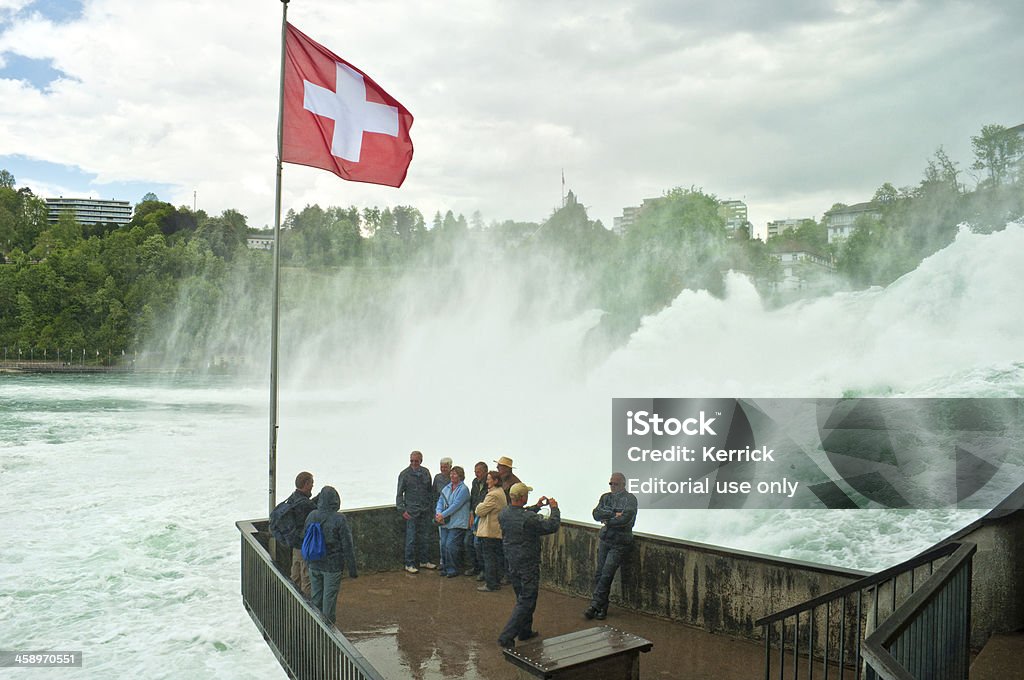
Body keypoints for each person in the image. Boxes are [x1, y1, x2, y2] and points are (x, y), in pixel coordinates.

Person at [497, 482, 560, 648]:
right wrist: (554, 508)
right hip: (527, 562)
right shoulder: (528, 518)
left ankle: (525, 631)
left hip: (511, 560)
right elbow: (552, 525)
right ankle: (507, 636)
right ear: (523, 497)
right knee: (528, 599)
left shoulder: (504, 513)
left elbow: (521, 515)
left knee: (521, 597)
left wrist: (537, 507)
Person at [584, 472, 638, 621]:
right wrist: (614, 514)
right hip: (606, 539)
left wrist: (607, 519)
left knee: (607, 574)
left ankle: (595, 605)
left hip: (620, 542)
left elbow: (625, 520)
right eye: (611, 484)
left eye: (616, 484)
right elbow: (595, 514)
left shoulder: (630, 499)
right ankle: (602, 608)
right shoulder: (605, 497)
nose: (613, 487)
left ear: (623, 485)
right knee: (600, 574)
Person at [303, 486, 358, 625]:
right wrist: (352, 569)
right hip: (332, 565)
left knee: (316, 597)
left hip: (314, 563)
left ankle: (314, 625)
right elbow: (347, 545)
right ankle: (328, 630)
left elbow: (305, 536)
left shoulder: (312, 515)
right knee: (329, 599)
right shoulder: (339, 518)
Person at [269, 471, 318, 597]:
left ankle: (292, 602)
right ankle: (307, 608)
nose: (313, 485)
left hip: (295, 545)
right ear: (306, 484)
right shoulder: (305, 504)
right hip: (304, 545)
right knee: (307, 579)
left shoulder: (293, 498)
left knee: (295, 576)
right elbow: (314, 512)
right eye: (312, 482)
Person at [397, 450, 435, 573]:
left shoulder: (426, 472)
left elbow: (430, 491)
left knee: (425, 537)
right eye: (412, 461)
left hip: (424, 510)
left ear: (421, 461)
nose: (414, 463)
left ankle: (424, 561)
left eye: (416, 461)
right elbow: (399, 494)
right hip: (411, 511)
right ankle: (409, 564)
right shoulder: (404, 474)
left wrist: (430, 506)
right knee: (411, 538)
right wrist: (402, 509)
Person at [474, 469, 507, 592]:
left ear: (495, 481)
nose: (487, 481)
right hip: (496, 531)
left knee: (489, 558)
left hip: (489, 531)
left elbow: (480, 511)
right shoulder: (500, 492)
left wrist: (479, 505)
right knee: (496, 557)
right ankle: (495, 581)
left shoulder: (493, 495)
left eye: (489, 479)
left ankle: (490, 584)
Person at [435, 465, 471, 577]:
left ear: (460, 476)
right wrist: (438, 513)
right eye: (451, 473)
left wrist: (442, 514)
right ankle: (445, 568)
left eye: (454, 473)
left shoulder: (464, 489)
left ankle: (453, 569)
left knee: (451, 545)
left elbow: (456, 505)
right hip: (445, 522)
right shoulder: (446, 488)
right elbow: (440, 501)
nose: (452, 475)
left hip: (458, 522)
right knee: (443, 545)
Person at [466, 461, 488, 577]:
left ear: (485, 472)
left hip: (484, 518)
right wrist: (470, 513)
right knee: (468, 542)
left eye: (478, 472)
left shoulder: (489, 484)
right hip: (474, 516)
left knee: (478, 545)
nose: (476, 474)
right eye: (475, 472)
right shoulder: (475, 482)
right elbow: (472, 499)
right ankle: (474, 566)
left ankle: (483, 570)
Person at [433, 457, 453, 573]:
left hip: (452, 512)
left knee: (451, 541)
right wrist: (436, 512)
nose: (443, 469)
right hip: (440, 512)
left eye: (445, 467)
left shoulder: (454, 478)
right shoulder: (437, 478)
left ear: (450, 467)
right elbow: (434, 494)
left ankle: (451, 563)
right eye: (441, 466)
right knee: (442, 539)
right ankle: (442, 562)